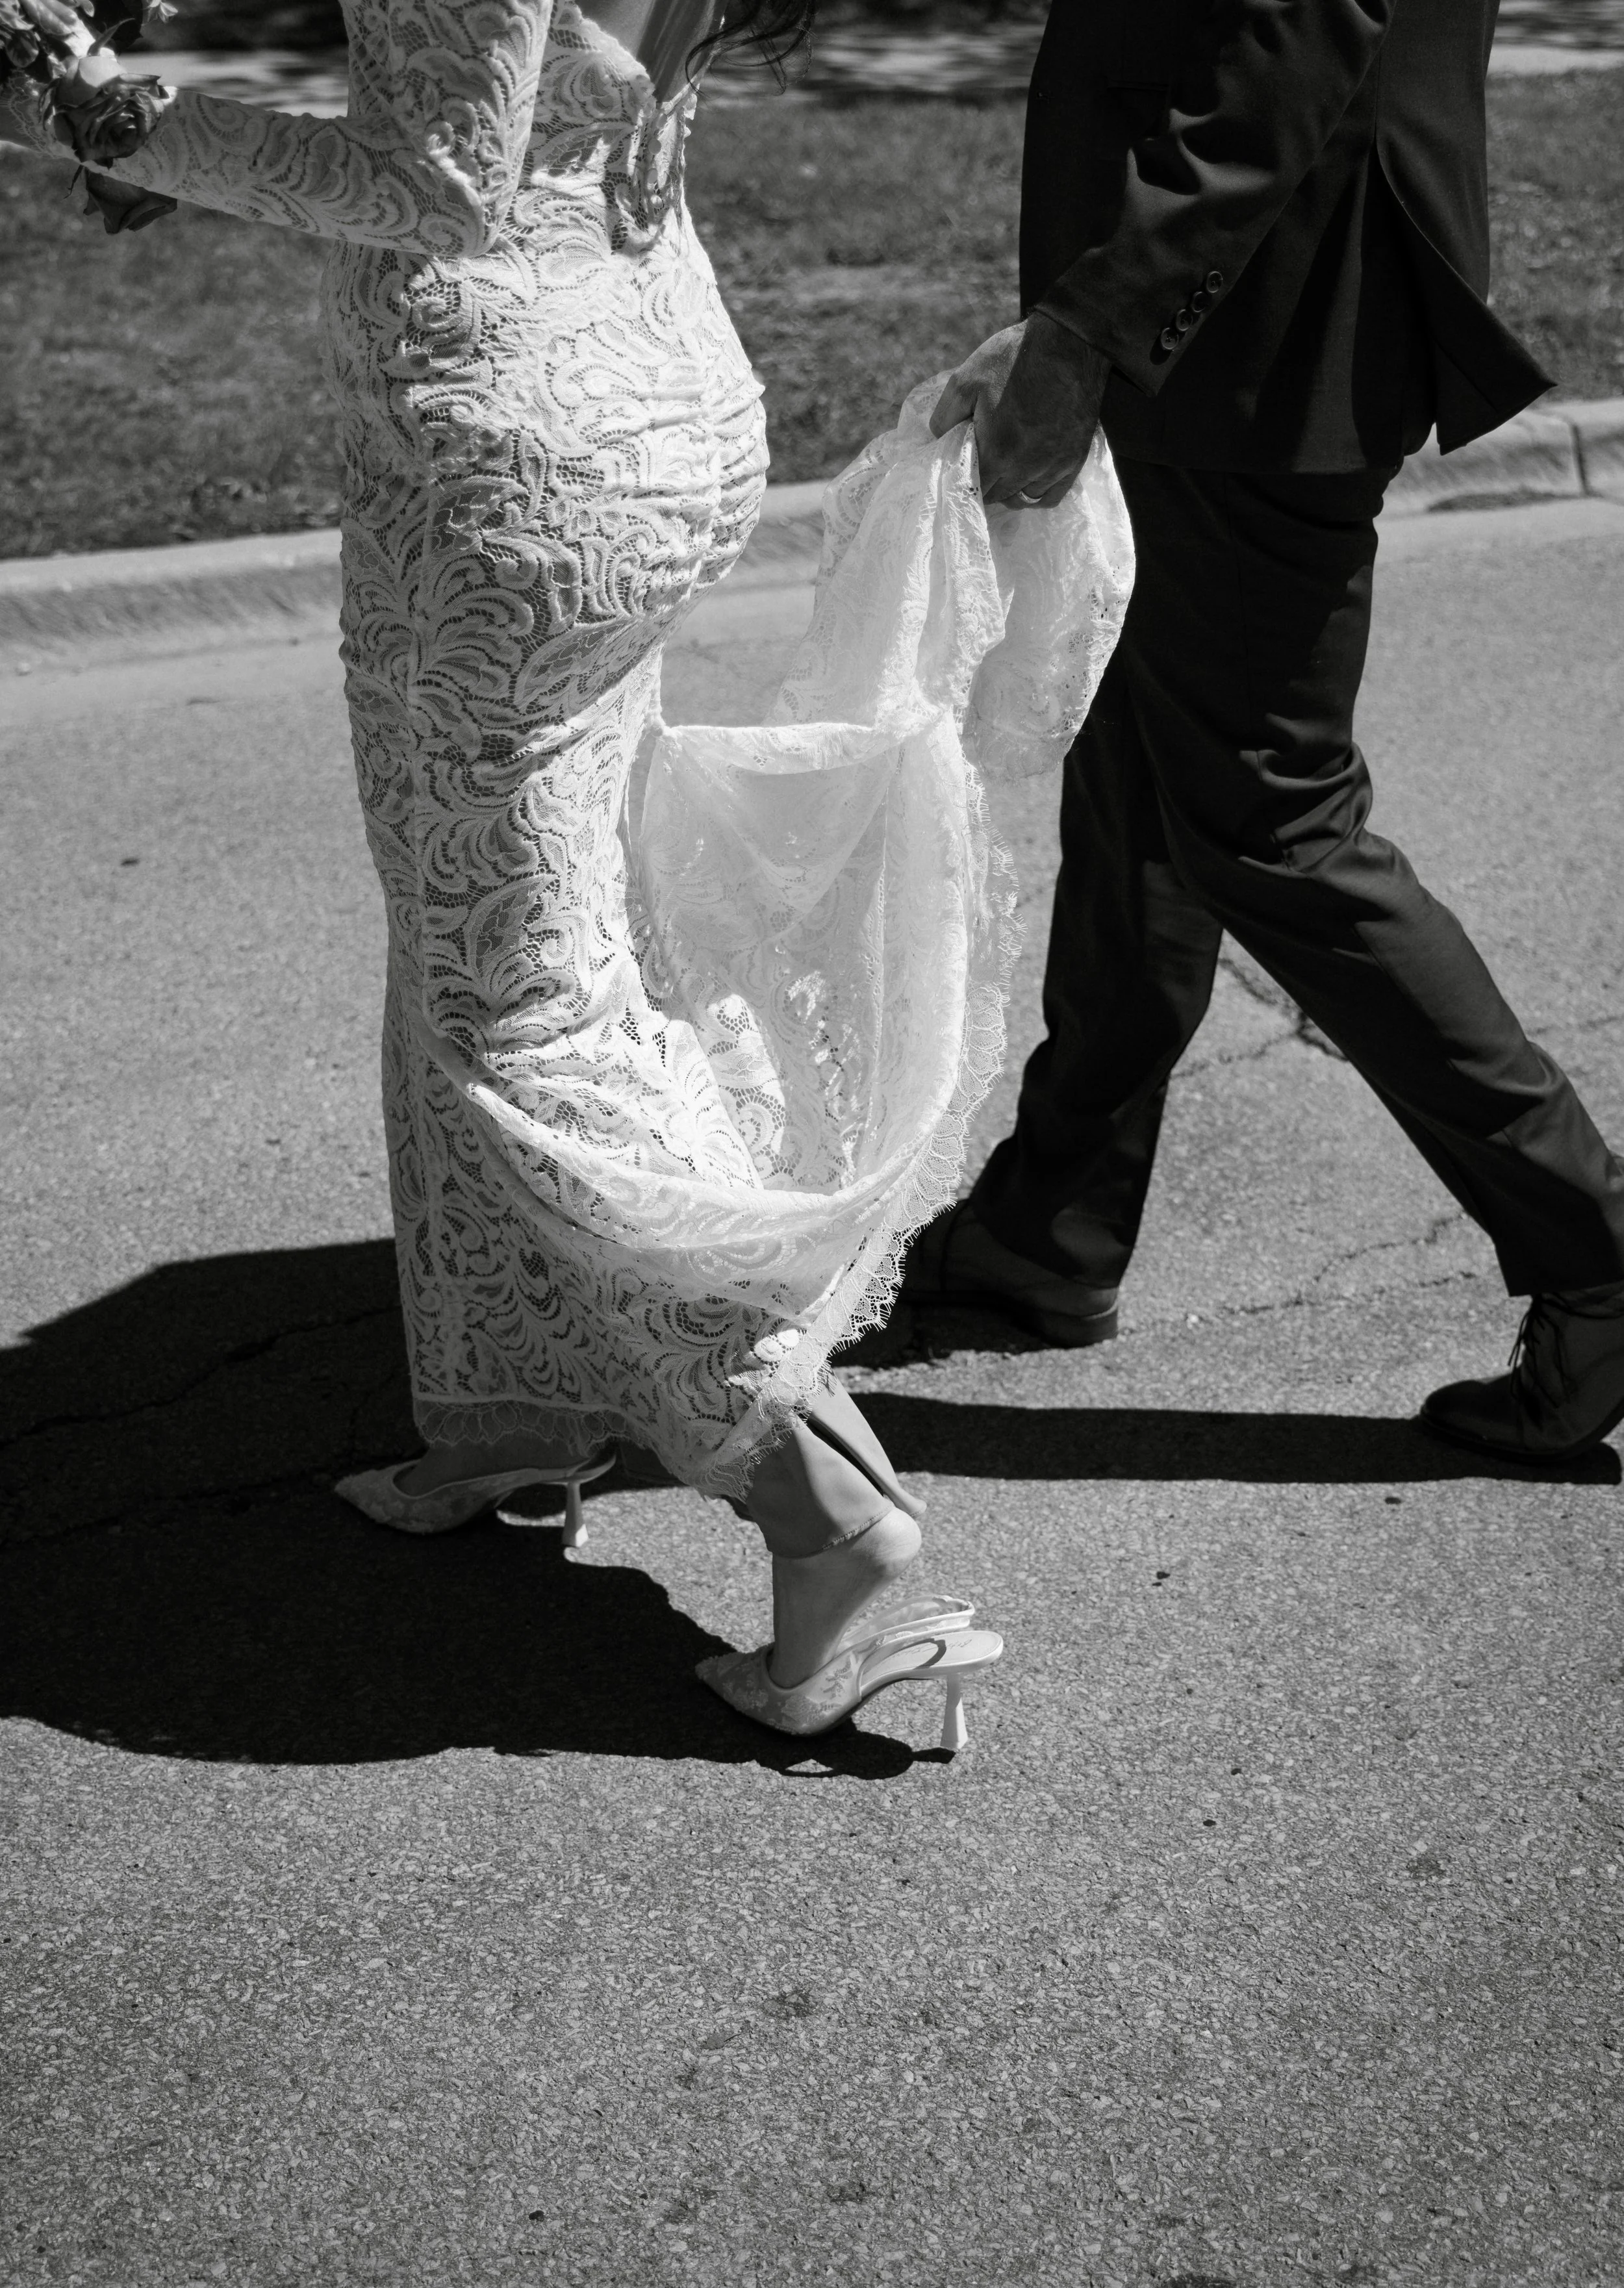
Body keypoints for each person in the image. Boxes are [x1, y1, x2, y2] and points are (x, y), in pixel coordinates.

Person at [1, 0, 1042, 1739]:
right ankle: (511, 1411)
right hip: (638, 401)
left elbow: (432, 184)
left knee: (521, 1009)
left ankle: (819, 1500)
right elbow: (529, 96)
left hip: (504, 479)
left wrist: (130, 123)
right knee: (480, 939)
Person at [909, 0, 1624, 1466]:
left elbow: (1293, 43)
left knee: (1268, 820)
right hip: (1246, 317)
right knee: (1135, 775)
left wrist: (1093, 316)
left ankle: (1593, 1247)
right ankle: (1052, 1221)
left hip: (1263, 325)